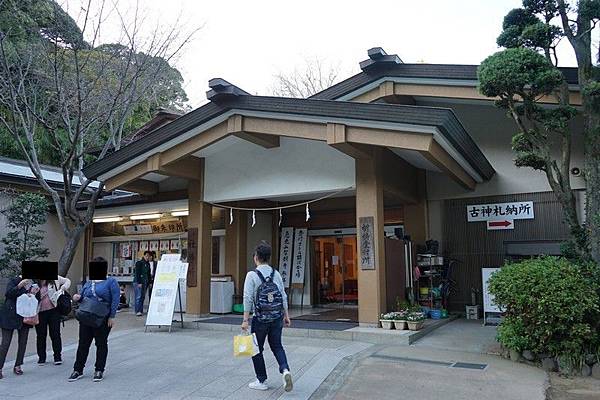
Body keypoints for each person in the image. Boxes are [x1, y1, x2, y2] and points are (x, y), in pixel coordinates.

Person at [242, 241, 293, 392]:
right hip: (277, 317)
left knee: (256, 348)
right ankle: (285, 370)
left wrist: (245, 320)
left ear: (256, 257)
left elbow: (247, 298)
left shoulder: (252, 275)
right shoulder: (275, 274)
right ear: (268, 258)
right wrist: (286, 315)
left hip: (260, 318)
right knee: (277, 346)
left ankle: (261, 380)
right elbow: (283, 295)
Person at [68, 257, 119, 382]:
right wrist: (77, 298)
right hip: (86, 317)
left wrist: (112, 316)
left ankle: (99, 369)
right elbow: (85, 298)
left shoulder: (111, 281)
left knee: (101, 343)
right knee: (83, 343)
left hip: (102, 317)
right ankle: (78, 369)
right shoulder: (89, 282)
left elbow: (115, 299)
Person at [0, 276, 38, 378]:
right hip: (10, 315)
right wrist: (19, 285)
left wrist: (33, 293)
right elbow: (8, 294)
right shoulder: (14, 280)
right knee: (5, 343)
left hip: (25, 316)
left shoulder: (32, 282)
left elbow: (35, 299)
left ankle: (18, 365)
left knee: (23, 342)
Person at [35, 275, 71, 365]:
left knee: (55, 334)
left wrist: (63, 287)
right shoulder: (34, 282)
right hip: (40, 312)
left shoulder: (55, 279)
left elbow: (67, 281)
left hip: (54, 311)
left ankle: (57, 356)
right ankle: (42, 357)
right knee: (41, 335)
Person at [133, 251, 151, 316]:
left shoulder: (148, 264)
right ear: (144, 256)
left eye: (149, 256)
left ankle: (140, 310)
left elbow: (148, 274)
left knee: (142, 297)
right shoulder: (139, 263)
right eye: (146, 256)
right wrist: (139, 282)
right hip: (138, 282)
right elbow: (137, 273)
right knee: (138, 296)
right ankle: (137, 311)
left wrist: (150, 283)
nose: (148, 257)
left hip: (145, 282)